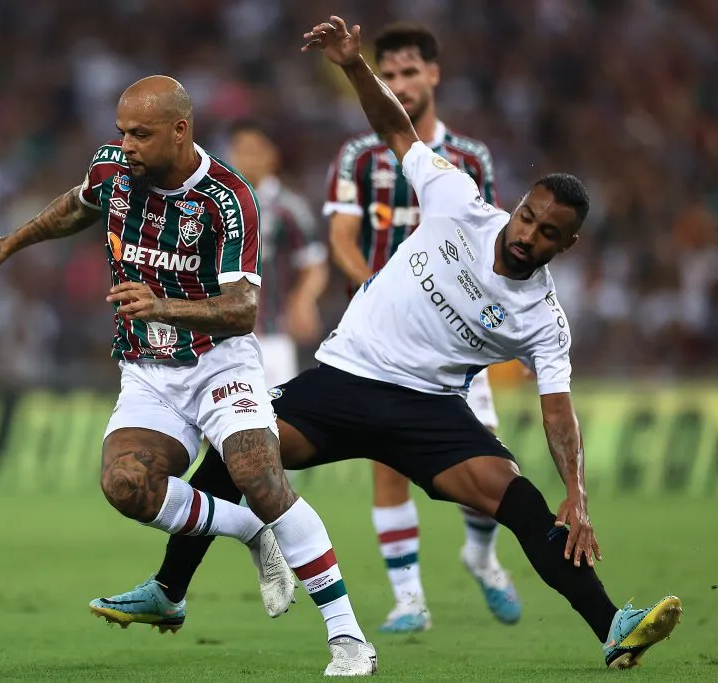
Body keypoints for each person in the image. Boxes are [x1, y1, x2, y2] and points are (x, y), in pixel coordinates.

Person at [91, 18, 683, 670]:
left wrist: (578, 490)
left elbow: (557, 409)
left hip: (427, 412)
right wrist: (351, 65)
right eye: (527, 217)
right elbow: (396, 129)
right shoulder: (457, 198)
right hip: (344, 378)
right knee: (238, 456)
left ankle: (613, 626)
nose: (528, 235)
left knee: (521, 500)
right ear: (515, 207)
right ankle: (169, 591)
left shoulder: (543, 318)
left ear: (564, 247)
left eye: (547, 234)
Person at [0, 74, 375, 676]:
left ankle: (349, 639)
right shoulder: (114, 170)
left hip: (218, 362)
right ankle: (252, 534)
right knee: (124, 485)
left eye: (141, 134)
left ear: (180, 130)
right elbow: (78, 204)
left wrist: (163, 306)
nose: (126, 144)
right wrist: (10, 243)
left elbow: (243, 309)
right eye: (122, 132)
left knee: (261, 478)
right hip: (148, 372)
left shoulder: (229, 200)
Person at [323, 22, 518, 632]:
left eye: (410, 73)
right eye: (390, 74)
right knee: (388, 457)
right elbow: (341, 239)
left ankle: (480, 556)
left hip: (455, 335)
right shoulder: (359, 156)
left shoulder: (470, 158)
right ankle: (409, 598)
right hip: (387, 333)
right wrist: (375, 286)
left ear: (434, 75)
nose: (400, 84)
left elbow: (488, 244)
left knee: (487, 462)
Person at [227, 119, 329, 388]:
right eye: (239, 150)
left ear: (271, 155)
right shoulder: (217, 205)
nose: (244, 158)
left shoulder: (288, 206)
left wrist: (303, 301)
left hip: (272, 335)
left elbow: (314, 264)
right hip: (220, 335)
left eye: (253, 150)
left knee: (275, 415)